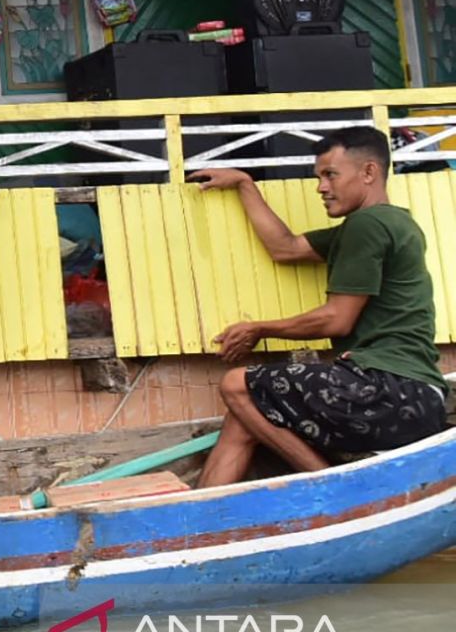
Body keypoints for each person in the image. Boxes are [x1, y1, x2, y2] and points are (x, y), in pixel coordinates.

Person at [191, 127, 449, 488]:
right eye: (319, 177)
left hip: (389, 389)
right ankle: (202, 516)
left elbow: (337, 320)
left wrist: (259, 328)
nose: (321, 187)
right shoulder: (386, 222)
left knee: (237, 385)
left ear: (369, 173)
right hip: (416, 399)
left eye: (330, 175)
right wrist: (245, 185)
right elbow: (287, 248)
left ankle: (332, 486)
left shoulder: (368, 225)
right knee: (247, 410)